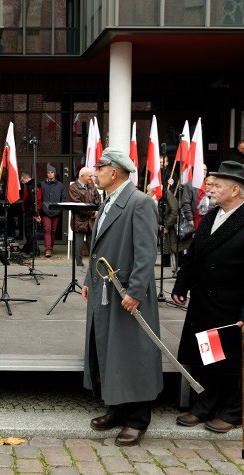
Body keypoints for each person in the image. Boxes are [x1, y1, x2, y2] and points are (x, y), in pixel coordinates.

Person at [171, 161, 244, 433]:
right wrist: (182, 284)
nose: (211, 189)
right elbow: (193, 255)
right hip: (205, 304)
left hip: (233, 308)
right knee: (206, 357)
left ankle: (232, 412)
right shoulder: (212, 216)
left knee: (233, 362)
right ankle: (204, 405)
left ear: (236, 190)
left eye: (217, 185)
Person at [82, 147, 161, 447]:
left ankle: (138, 419)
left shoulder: (139, 202)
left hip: (126, 292)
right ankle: (116, 408)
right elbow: (98, 248)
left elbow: (146, 252)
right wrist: (90, 279)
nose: (94, 173)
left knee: (133, 353)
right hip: (105, 290)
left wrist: (136, 291)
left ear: (113, 172)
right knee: (110, 351)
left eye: (99, 168)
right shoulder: (109, 201)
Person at [67, 167, 99, 267]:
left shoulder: (92, 187)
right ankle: (79, 265)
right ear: (82, 176)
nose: (92, 178)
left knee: (92, 245)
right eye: (90, 176)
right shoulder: (73, 188)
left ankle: (93, 266)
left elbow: (98, 200)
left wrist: (97, 209)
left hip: (91, 222)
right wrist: (93, 212)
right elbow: (77, 206)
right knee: (78, 247)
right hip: (79, 221)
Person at [39, 163, 65, 257]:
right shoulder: (42, 184)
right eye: (48, 172)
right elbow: (39, 198)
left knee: (53, 231)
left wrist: (60, 209)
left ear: (55, 173)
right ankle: (48, 250)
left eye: (51, 172)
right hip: (45, 211)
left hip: (56, 212)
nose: (50, 174)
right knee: (47, 230)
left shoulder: (60, 185)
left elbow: (63, 198)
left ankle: (51, 247)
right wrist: (41, 207)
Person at [20, 172, 41, 257]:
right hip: (32, 211)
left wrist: (36, 214)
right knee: (30, 232)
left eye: (22, 180)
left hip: (31, 212)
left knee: (30, 233)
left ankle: (35, 251)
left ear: (26, 179)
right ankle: (28, 248)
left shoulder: (30, 187)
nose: (22, 182)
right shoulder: (33, 185)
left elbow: (35, 201)